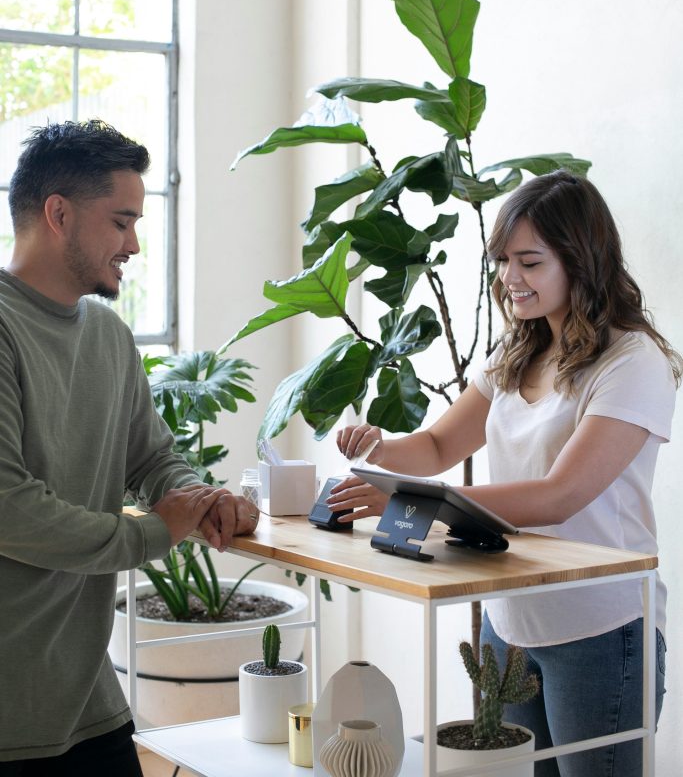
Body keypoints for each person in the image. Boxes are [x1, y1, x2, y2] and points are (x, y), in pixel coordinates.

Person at [330, 169, 679, 777]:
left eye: (529, 262)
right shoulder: (517, 352)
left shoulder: (632, 361)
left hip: (600, 627)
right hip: (510, 622)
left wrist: (421, 503)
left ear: (582, 261)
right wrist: (383, 450)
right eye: (502, 261)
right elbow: (438, 445)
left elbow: (559, 495)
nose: (509, 278)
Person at [0, 120, 259, 775]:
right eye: (121, 222)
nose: (134, 245)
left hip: (89, 700)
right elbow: (9, 507)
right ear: (59, 214)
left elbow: (150, 458)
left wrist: (200, 499)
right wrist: (153, 532)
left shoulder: (108, 335)